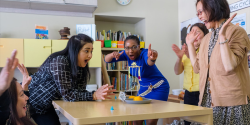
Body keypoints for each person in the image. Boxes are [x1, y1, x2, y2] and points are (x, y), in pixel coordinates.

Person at [19, 34, 116, 125]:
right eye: (86, 51)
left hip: (45, 106)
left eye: (91, 51)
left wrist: (97, 94)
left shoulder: (80, 66)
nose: (90, 55)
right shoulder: (60, 61)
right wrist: (94, 95)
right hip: (31, 101)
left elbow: (79, 91)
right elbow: (68, 95)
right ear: (75, 50)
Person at [186, 0, 250, 124]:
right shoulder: (206, 39)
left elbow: (229, 66)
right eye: (197, 13)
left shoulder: (237, 32)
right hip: (207, 103)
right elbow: (197, 68)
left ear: (213, 8)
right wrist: (189, 45)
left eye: (201, 12)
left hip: (232, 105)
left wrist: (222, 38)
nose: (198, 16)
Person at [105, 35, 170, 125]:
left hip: (158, 87)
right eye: (127, 48)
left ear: (139, 47)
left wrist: (152, 58)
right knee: (136, 119)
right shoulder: (126, 54)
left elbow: (149, 62)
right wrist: (112, 54)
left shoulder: (145, 53)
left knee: (150, 120)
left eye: (134, 47)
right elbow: (106, 60)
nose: (130, 51)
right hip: (144, 88)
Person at [172, 23, 209, 125]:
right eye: (192, 32)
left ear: (206, 35)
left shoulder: (207, 50)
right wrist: (180, 58)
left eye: (197, 32)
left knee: (203, 121)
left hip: (203, 93)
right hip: (188, 94)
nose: (194, 35)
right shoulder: (185, 51)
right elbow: (177, 71)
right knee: (188, 122)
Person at [0, 50, 34, 125]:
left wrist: (24, 86)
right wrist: (1, 89)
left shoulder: (22, 118)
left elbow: (26, 110)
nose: (27, 98)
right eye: (22, 94)